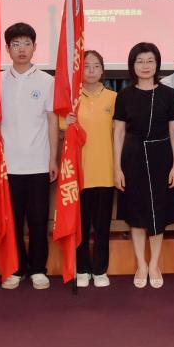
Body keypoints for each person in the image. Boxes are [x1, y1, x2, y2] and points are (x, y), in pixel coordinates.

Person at [0, 22, 58, 291]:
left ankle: (39, 269)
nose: (21, 49)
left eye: (26, 44)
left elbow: (52, 122)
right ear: (7, 49)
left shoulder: (47, 81)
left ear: (34, 47)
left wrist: (53, 158)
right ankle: (16, 268)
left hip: (38, 162)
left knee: (39, 220)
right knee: (13, 221)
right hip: (8, 164)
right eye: (15, 44)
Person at [114, 42, 174, 289]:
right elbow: (118, 133)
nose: (145, 66)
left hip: (161, 157)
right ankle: (141, 265)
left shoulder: (168, 94)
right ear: (132, 65)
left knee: (158, 214)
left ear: (157, 64)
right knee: (136, 213)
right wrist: (117, 168)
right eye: (140, 61)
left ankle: (154, 264)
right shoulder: (124, 95)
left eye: (150, 61)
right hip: (132, 158)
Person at [64, 50, 116, 288]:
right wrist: (68, 123)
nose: (91, 70)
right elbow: (62, 130)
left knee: (102, 226)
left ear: (103, 70)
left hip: (106, 172)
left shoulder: (114, 98)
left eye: (96, 66)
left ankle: (100, 269)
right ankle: (83, 268)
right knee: (81, 226)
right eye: (86, 66)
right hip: (79, 174)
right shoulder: (72, 100)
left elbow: (120, 135)